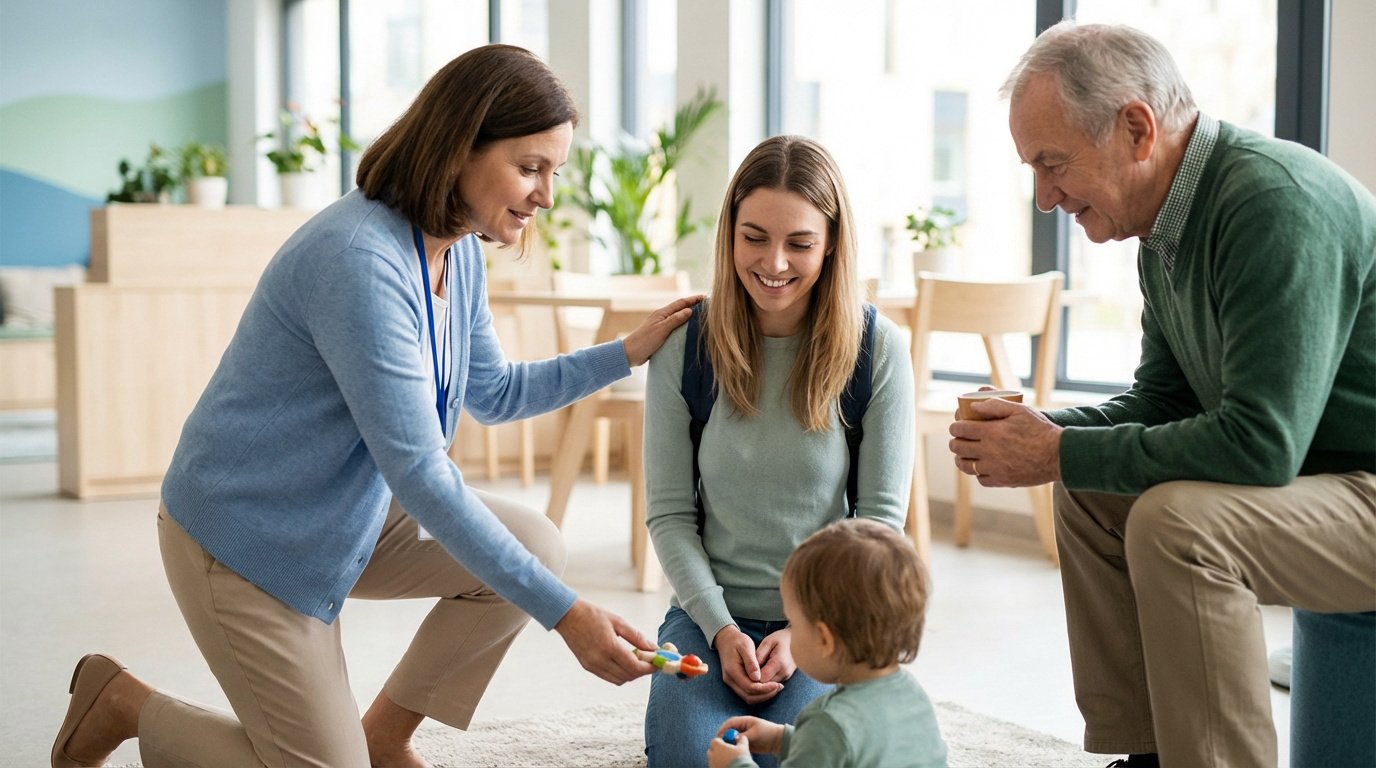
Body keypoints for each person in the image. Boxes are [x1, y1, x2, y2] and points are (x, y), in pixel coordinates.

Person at [50, 44, 702, 768]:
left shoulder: (457, 250)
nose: (546, 195)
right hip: (245, 544)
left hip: (343, 515)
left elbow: (493, 392)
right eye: (530, 167)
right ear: (460, 148)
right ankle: (126, 705)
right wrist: (569, 615)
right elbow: (422, 472)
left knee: (535, 546)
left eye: (554, 171)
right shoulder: (361, 259)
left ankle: (384, 735)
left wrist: (624, 353)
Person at [948, 20, 1376, 768]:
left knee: (1177, 525)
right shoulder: (1167, 231)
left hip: (1357, 485)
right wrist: (1044, 432)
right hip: (1326, 480)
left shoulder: (1273, 204)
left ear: (1136, 128)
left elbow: (1260, 445)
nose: (1045, 196)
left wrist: (1058, 447)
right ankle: (1145, 756)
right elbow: (1162, 402)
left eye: (1053, 164)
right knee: (1086, 491)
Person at [642, 134, 915, 767]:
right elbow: (670, 514)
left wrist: (803, 632)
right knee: (695, 758)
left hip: (826, 622)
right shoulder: (686, 346)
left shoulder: (876, 349)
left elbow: (877, 521)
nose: (775, 262)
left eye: (800, 243)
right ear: (730, 235)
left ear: (831, 245)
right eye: (755, 237)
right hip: (708, 622)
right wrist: (719, 627)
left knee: (799, 759)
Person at [706, 518, 947, 768]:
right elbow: (854, 752)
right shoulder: (912, 693)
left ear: (825, 639)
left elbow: (835, 742)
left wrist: (735, 765)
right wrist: (781, 739)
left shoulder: (828, 724)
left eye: (793, 624)